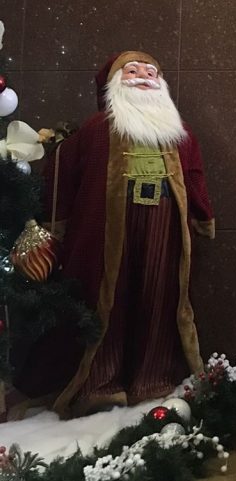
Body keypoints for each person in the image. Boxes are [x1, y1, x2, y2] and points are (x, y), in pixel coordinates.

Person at [12, 51, 215, 418]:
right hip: (107, 229)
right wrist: (52, 219)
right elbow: (66, 171)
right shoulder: (95, 129)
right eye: (132, 71)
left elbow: (194, 174)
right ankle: (99, 384)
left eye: (150, 71)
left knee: (158, 297)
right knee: (108, 300)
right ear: (113, 83)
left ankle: (152, 377)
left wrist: (202, 215)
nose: (143, 77)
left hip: (163, 227)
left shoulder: (179, 134)